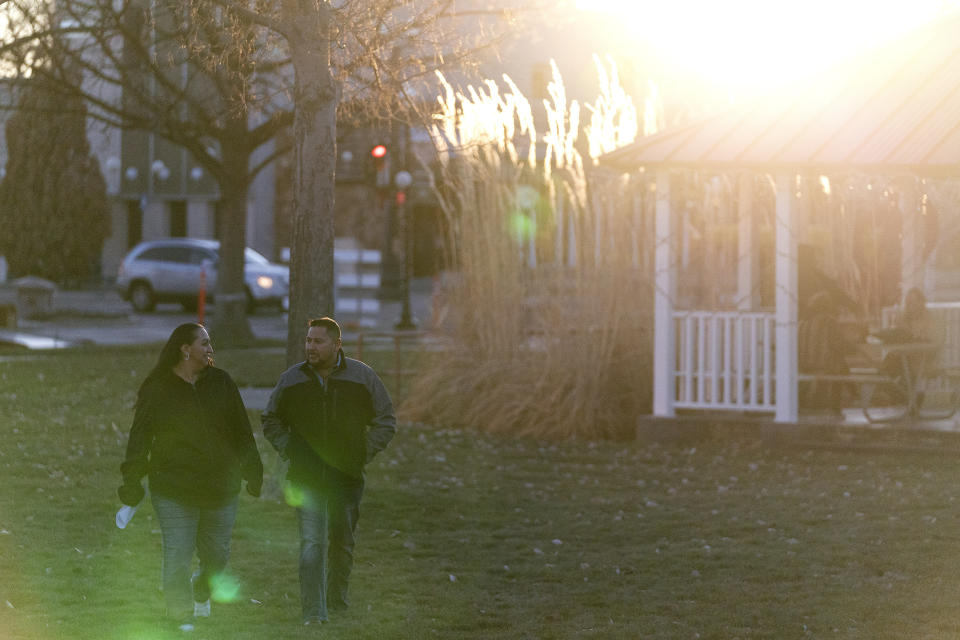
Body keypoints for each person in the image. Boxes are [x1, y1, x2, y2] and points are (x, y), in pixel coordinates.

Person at [117, 323, 263, 632]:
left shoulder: (221, 383)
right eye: (205, 343)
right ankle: (180, 614)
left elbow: (241, 430)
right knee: (178, 554)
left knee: (217, 557)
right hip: (173, 489)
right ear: (186, 349)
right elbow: (140, 436)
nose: (211, 349)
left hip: (220, 488)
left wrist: (253, 470)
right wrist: (132, 479)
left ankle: (201, 588)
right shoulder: (158, 387)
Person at [261, 317, 396, 626]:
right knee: (312, 544)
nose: (310, 346)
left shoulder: (362, 377)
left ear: (337, 345)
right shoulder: (292, 379)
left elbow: (386, 418)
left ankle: (336, 602)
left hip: (346, 478)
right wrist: (289, 449)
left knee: (341, 543)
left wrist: (363, 452)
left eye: (318, 341)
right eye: (308, 340)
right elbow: (270, 418)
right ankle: (314, 613)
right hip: (306, 478)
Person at [798, 290, 857, 415]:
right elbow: (838, 344)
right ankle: (838, 405)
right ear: (827, 305)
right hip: (822, 365)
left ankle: (854, 393)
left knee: (839, 365)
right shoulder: (829, 322)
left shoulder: (802, 323)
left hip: (803, 365)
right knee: (840, 367)